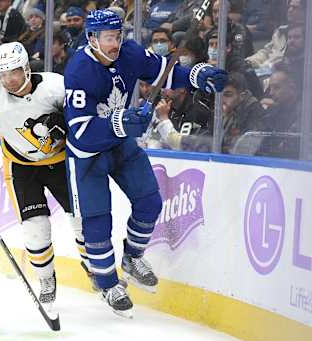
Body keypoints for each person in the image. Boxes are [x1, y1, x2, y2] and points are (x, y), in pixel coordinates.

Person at [63, 9, 227, 317]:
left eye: (118, 36)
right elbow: (81, 131)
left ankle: (132, 257)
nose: (116, 43)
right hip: (88, 155)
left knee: (150, 202)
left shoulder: (129, 52)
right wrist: (122, 121)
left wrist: (196, 74)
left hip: (120, 143)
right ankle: (109, 283)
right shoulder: (79, 70)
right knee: (97, 221)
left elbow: (165, 70)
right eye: (110, 38)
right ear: (92, 38)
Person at [0, 42, 93, 307]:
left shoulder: (55, 87)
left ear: (26, 67)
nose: (8, 80)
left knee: (83, 220)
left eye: (13, 72)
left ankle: (95, 268)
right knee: (36, 229)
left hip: (61, 163)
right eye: (1, 73)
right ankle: (47, 280)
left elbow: (85, 114)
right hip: (22, 169)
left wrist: (65, 120)